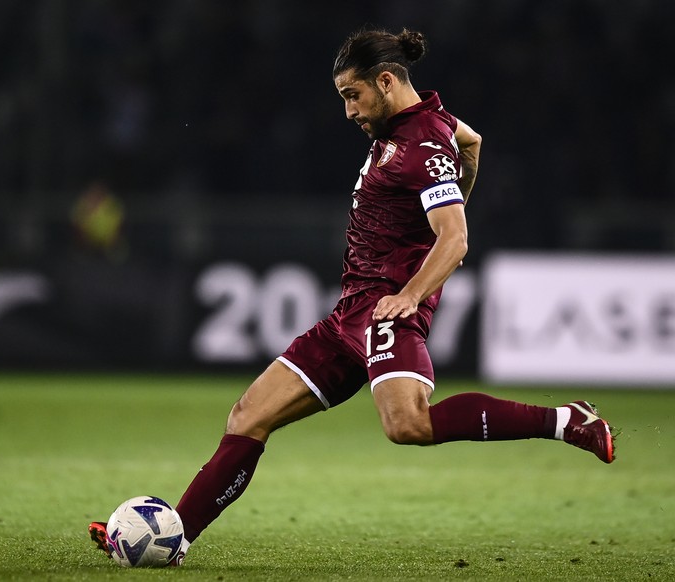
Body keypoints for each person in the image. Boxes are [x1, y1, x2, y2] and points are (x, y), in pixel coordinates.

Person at [89, 27, 615, 566]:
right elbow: (472, 140)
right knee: (248, 415)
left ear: (386, 81)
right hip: (350, 314)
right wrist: (456, 192)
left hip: (386, 309)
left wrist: (411, 293)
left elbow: (455, 239)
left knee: (406, 423)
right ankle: (176, 543)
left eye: (352, 94)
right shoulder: (424, 129)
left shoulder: (421, 144)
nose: (348, 111)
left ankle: (566, 420)